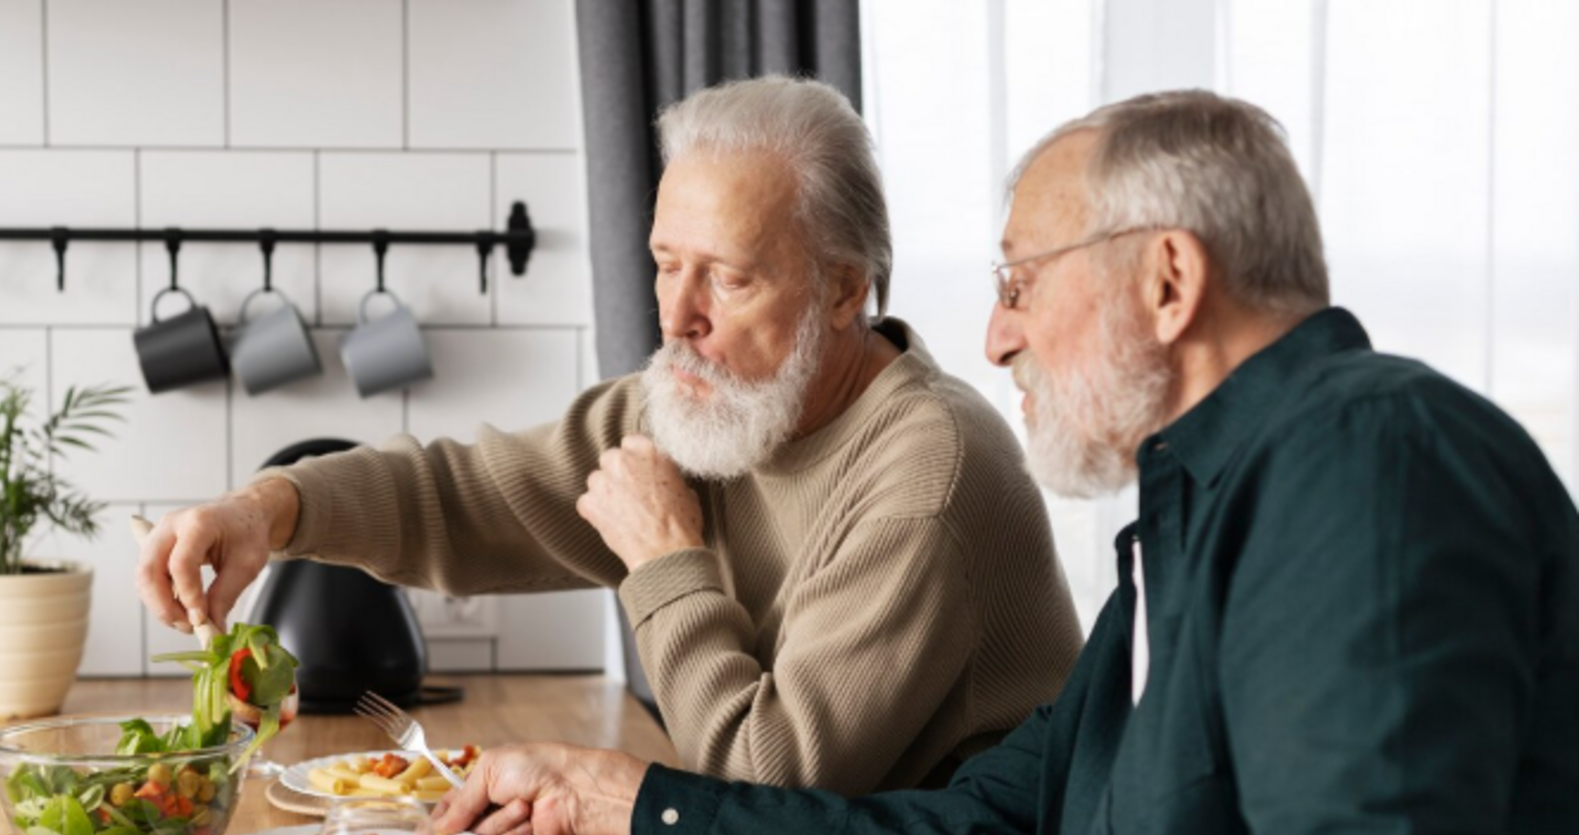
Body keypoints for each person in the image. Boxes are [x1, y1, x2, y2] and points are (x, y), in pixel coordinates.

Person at [432, 89, 1579, 835]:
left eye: (1021, 281)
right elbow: (962, 834)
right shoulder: (1186, 533)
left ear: (1168, 282)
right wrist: (615, 794)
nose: (994, 337)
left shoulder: (1369, 455)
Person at [135, 76, 1083, 794]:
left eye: (728, 278)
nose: (676, 317)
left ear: (844, 289)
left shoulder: (926, 474)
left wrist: (665, 560)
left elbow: (767, 781)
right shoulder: (719, 402)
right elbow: (464, 496)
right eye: (667, 264)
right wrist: (268, 509)